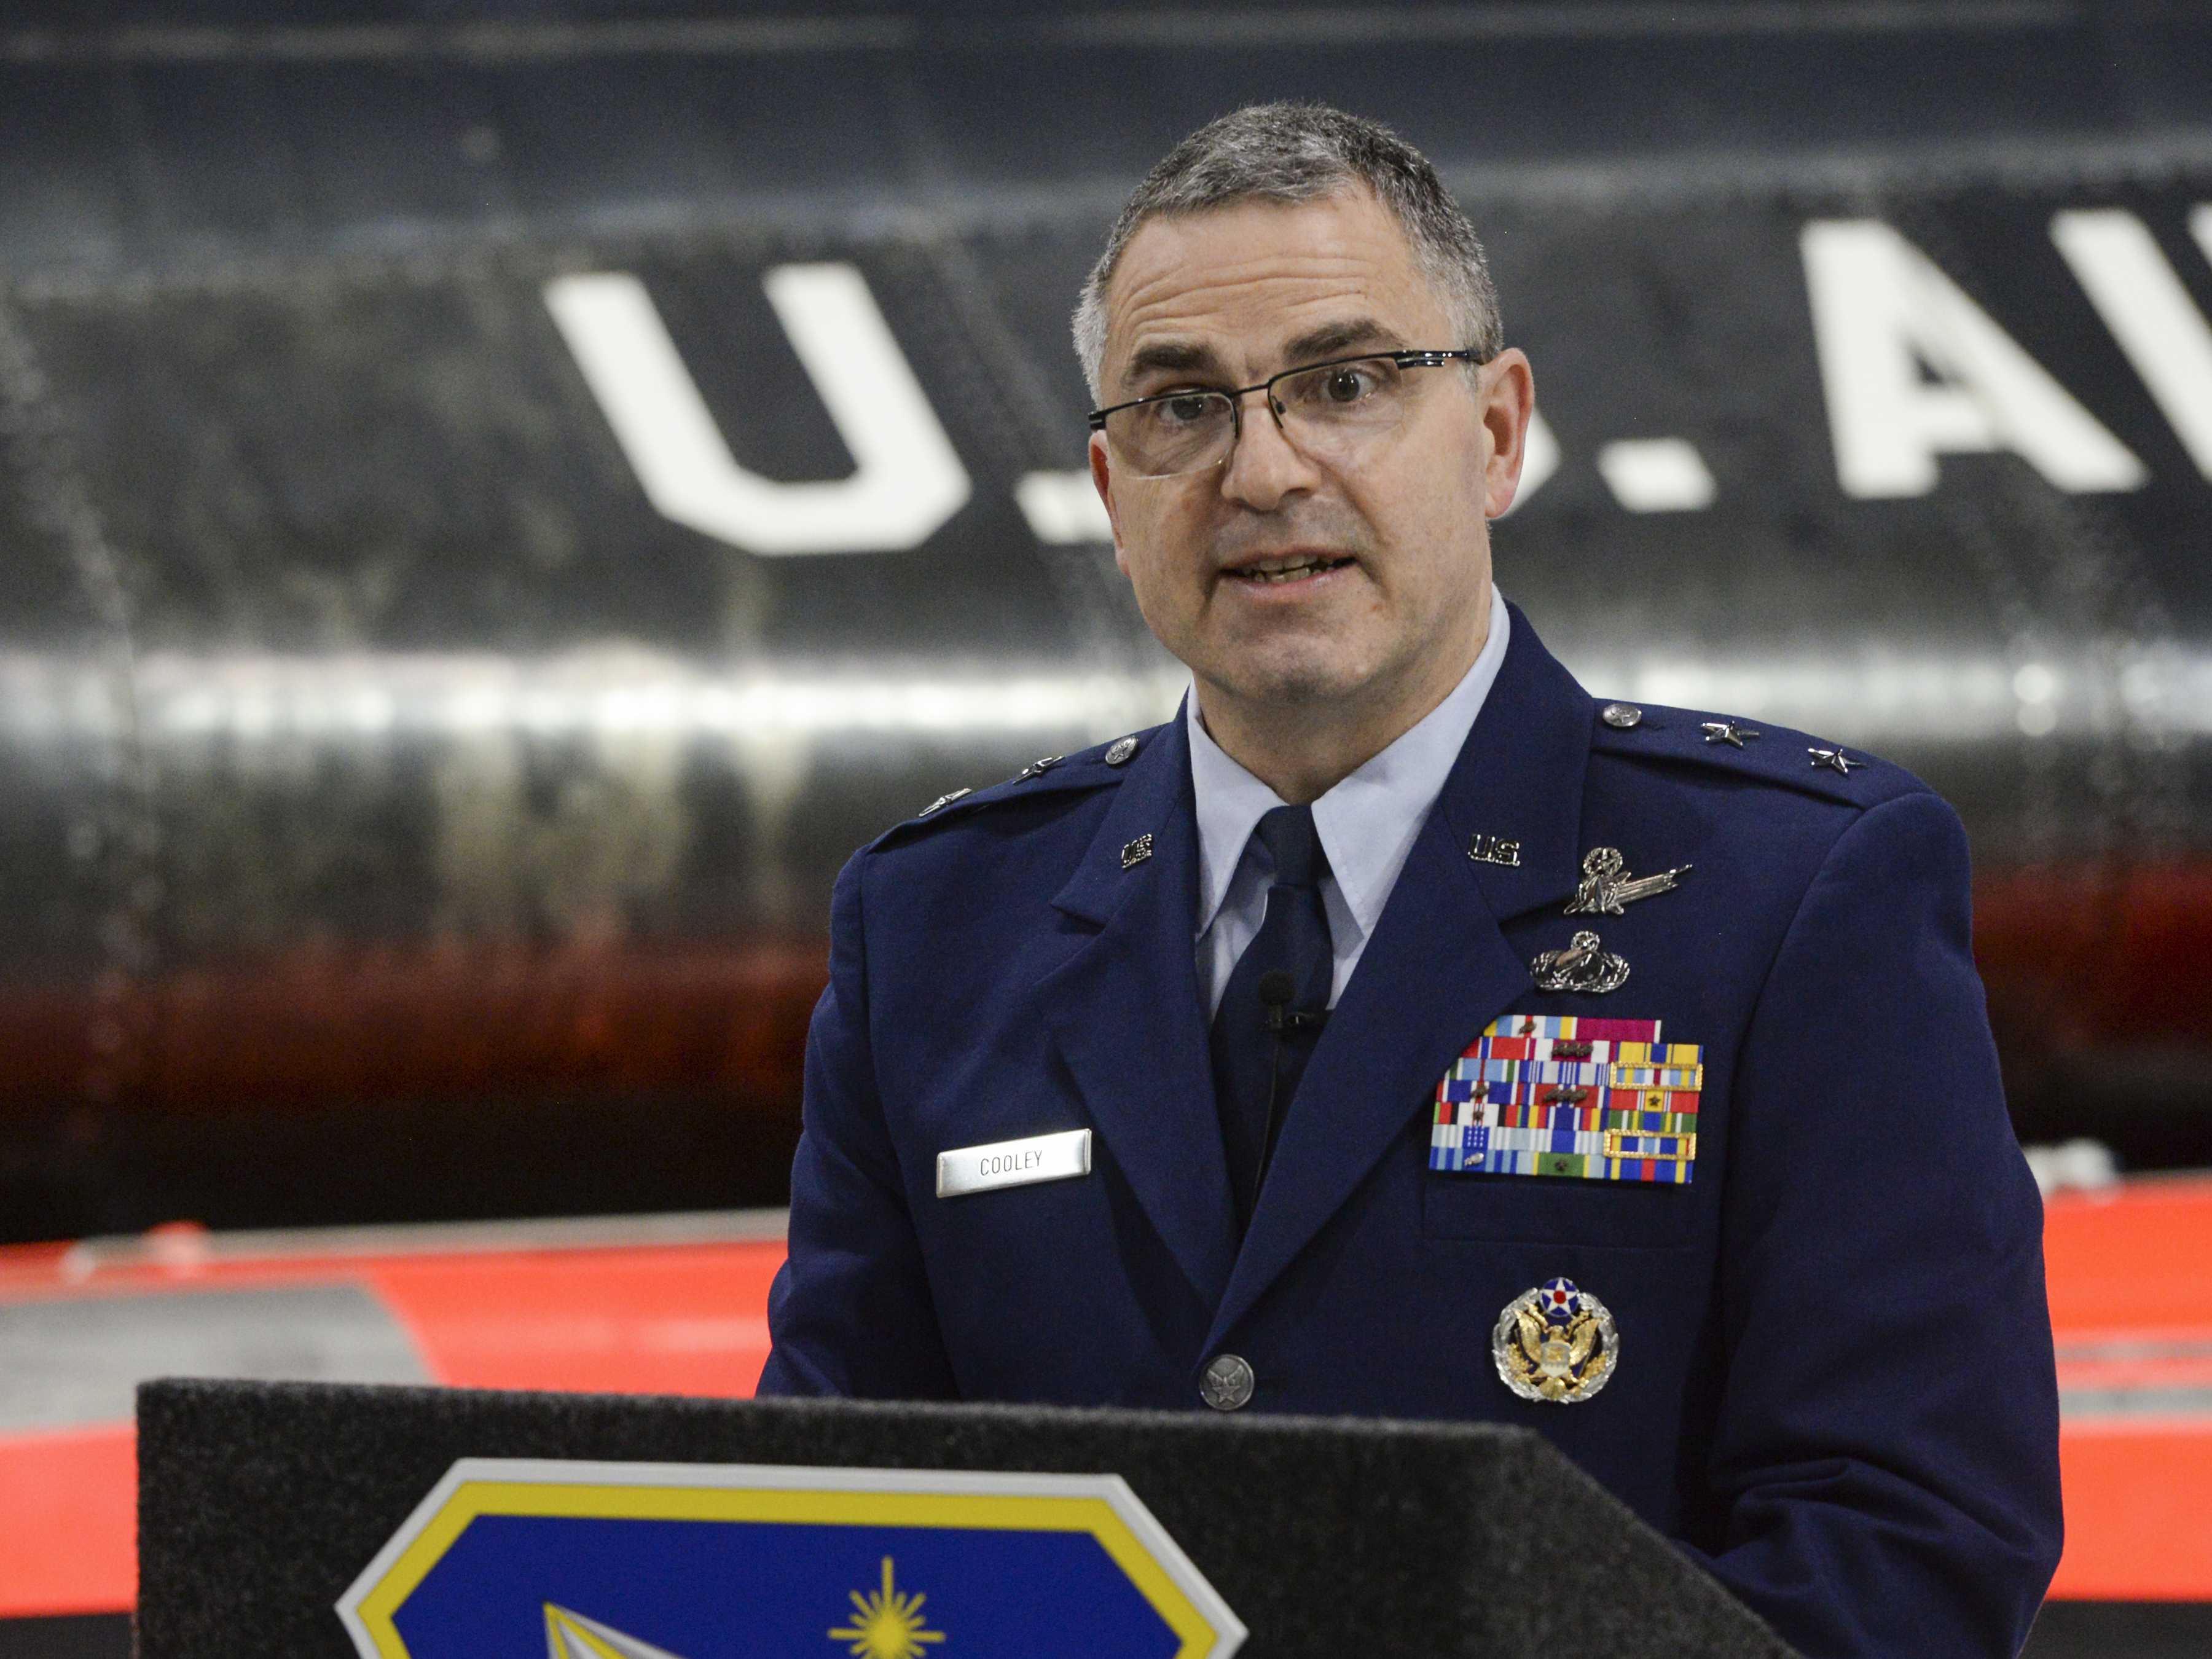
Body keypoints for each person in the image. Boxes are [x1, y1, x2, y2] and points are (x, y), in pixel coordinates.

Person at [759, 104, 2060, 1658]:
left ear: (1497, 433)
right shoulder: (934, 930)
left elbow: (1905, 1547)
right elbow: (824, 1524)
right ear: (1110, 492)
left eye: (1346, 384)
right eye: (1182, 408)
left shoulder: (1790, 897)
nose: (1261, 470)